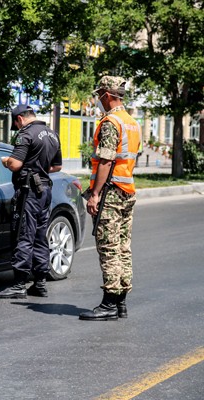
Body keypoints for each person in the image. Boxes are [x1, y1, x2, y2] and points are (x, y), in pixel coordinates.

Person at [79, 76, 141, 321]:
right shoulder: (131, 122)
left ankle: (108, 304)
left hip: (111, 193)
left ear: (107, 94)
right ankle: (121, 302)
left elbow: (106, 160)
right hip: (127, 191)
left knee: (108, 247)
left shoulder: (111, 122)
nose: (98, 100)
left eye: (99, 95)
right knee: (123, 247)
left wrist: (95, 194)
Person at [0, 104, 62, 299]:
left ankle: (19, 284)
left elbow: (16, 164)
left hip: (29, 191)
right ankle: (40, 282)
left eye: (16, 124)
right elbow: (57, 166)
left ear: (19, 119)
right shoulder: (52, 134)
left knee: (24, 234)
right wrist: (39, 169)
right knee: (40, 235)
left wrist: (6, 160)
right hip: (45, 190)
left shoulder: (25, 134)